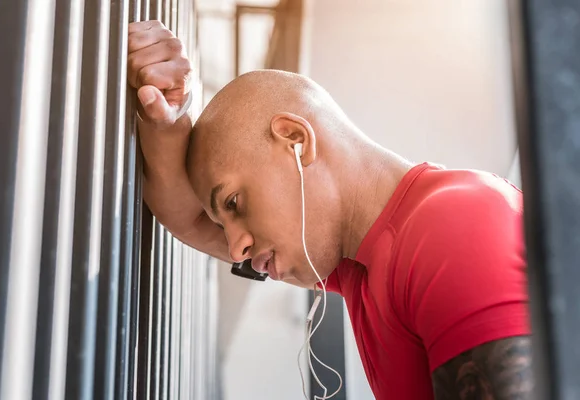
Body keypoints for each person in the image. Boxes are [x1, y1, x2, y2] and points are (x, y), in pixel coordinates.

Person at [128, 20, 533, 399]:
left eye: (235, 203)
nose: (236, 251)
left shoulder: (450, 228)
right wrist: (162, 118)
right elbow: (188, 219)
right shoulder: (361, 266)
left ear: (295, 139)